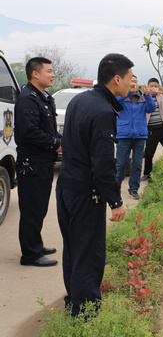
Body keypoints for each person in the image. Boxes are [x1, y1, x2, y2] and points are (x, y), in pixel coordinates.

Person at [56, 53, 131, 317]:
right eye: (130, 78)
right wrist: (116, 202)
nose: (132, 83)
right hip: (86, 194)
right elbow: (103, 165)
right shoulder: (102, 111)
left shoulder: (80, 100)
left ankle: (74, 303)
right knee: (89, 256)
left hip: (66, 187)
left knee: (74, 251)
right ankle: (85, 317)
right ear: (117, 79)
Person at [15, 57, 62, 267]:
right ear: (35, 74)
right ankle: (30, 255)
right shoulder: (28, 99)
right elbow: (29, 132)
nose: (53, 75)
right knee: (32, 209)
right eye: (49, 71)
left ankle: (36, 244)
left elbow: (47, 128)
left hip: (42, 162)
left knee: (39, 208)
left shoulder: (42, 97)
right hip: (32, 163)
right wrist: (55, 144)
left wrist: (59, 140)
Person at [116, 75, 156, 199]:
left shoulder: (143, 98)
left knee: (137, 164)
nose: (133, 83)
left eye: (135, 81)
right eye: (131, 81)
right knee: (122, 163)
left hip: (140, 135)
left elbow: (151, 108)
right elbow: (116, 104)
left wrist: (148, 95)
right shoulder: (121, 96)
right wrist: (128, 92)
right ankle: (115, 187)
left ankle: (133, 189)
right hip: (124, 134)